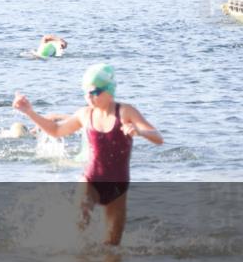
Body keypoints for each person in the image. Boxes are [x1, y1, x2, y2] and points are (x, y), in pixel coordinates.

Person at [12, 63, 164, 245]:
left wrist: (140, 132)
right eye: (86, 92)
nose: (89, 97)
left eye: (94, 92)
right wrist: (29, 112)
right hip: (91, 180)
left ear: (109, 90)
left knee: (112, 248)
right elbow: (56, 130)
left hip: (118, 188)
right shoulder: (85, 114)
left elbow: (158, 137)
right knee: (78, 226)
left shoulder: (125, 112)